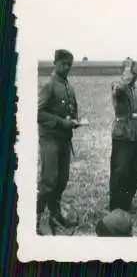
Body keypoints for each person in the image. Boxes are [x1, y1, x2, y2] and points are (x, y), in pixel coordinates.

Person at [37, 49, 81, 234]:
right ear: (55, 63)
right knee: (49, 180)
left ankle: (55, 216)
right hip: (50, 139)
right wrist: (61, 122)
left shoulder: (68, 85)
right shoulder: (49, 84)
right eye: (63, 63)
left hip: (64, 139)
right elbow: (38, 111)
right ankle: (36, 219)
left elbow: (73, 107)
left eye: (69, 64)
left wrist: (75, 120)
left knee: (62, 179)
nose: (67, 67)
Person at [109, 58, 137, 212]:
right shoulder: (118, 86)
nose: (135, 75)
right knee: (121, 171)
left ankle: (127, 202)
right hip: (123, 134)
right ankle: (116, 207)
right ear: (124, 73)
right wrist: (125, 77)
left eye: (136, 72)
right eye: (132, 72)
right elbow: (118, 91)